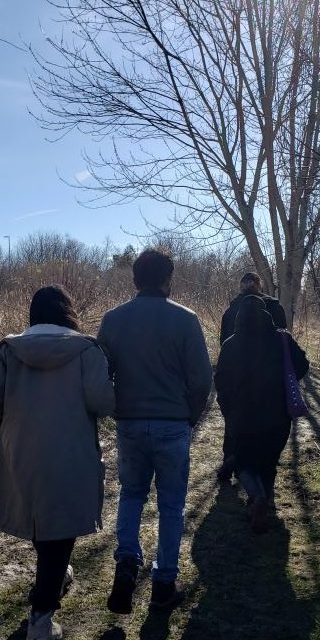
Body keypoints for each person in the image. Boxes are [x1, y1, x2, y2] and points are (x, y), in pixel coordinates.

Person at [0, 285, 114, 640]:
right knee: (62, 524)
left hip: (20, 449)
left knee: (40, 517)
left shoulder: (8, 350)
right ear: (68, 312)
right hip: (71, 449)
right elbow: (103, 401)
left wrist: (9, 430)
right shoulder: (86, 350)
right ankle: (41, 619)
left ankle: (55, 577)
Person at [97, 248, 213, 614]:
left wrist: (116, 409)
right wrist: (189, 417)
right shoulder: (186, 319)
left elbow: (100, 376)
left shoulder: (113, 320)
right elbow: (202, 380)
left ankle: (126, 563)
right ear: (168, 279)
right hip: (172, 424)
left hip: (130, 424)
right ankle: (164, 583)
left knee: (131, 494)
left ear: (135, 280)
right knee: (172, 504)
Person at [215, 294, 309, 534]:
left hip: (242, 416)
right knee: (269, 462)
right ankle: (265, 499)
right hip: (278, 415)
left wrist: (228, 409)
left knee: (243, 462)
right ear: (267, 315)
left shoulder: (230, 344)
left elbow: (221, 382)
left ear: (239, 317)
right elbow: (302, 365)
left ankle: (257, 497)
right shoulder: (282, 339)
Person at [217, 271, 288, 480]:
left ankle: (231, 463)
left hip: (238, 381)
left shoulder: (231, 310)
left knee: (234, 426)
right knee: (267, 429)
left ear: (242, 286)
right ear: (259, 285)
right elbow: (285, 340)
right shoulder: (275, 307)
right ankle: (261, 475)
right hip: (270, 382)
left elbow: (223, 344)